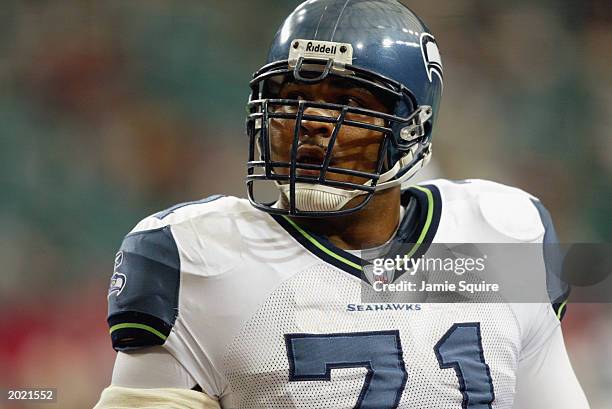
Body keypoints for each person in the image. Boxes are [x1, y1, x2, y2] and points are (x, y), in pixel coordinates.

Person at [94, 1, 590, 408]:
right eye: (291, 98)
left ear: (412, 128)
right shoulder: (194, 254)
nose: (310, 120)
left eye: (349, 103)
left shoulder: (504, 230)